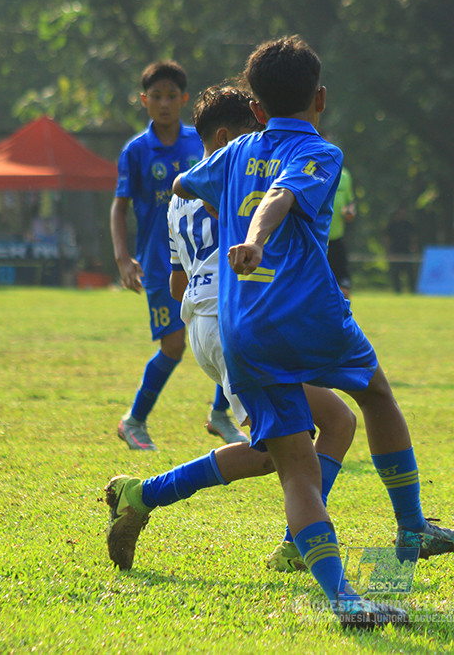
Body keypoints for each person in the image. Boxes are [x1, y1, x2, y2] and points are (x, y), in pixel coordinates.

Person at [173, 35, 454, 628]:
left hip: (244, 329)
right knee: (375, 394)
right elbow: (281, 195)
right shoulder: (322, 153)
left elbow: (184, 185)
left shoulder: (233, 152)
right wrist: (254, 237)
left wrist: (226, 198)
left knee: (297, 467)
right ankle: (410, 527)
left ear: (255, 109)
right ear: (321, 98)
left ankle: (345, 601)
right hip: (308, 314)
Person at [105, 83, 357, 575]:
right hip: (236, 323)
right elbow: (262, 250)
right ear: (226, 136)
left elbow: (177, 282)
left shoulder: (183, 192)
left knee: (335, 423)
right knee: (281, 452)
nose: (261, 146)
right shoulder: (233, 182)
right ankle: (145, 494)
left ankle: (294, 541)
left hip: (203, 323)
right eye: (253, 134)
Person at [110, 60, 244, 451]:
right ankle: (133, 420)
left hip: (210, 258)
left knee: (230, 328)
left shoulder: (199, 142)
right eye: (156, 97)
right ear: (144, 101)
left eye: (172, 96)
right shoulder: (136, 151)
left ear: (184, 99)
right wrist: (122, 257)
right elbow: (120, 205)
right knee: (173, 345)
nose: (164, 103)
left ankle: (220, 413)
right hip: (160, 261)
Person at [327, 166, 357, 299]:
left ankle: (343, 318)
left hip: (336, 240)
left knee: (344, 287)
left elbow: (350, 203)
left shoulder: (344, 175)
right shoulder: (311, 169)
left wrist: (350, 212)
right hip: (314, 241)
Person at [385, 206, 417, 294]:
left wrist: (413, 247)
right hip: (395, 251)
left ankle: (412, 290)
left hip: (406, 251)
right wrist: (388, 251)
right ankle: (397, 290)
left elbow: (413, 237)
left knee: (410, 272)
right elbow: (387, 239)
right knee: (396, 272)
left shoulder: (408, 225)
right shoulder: (392, 225)